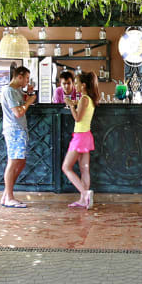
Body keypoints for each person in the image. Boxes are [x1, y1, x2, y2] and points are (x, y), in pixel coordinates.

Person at [0, 65, 37, 208]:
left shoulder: (17, 91)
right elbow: (18, 112)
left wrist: (28, 94)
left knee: (21, 162)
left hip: (20, 129)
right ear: (19, 77)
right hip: (14, 129)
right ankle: (9, 197)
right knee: (13, 162)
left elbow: (21, 105)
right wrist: (29, 101)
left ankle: (6, 194)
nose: (27, 81)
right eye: (26, 78)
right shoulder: (9, 91)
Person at [63, 71, 98, 209]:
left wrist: (71, 105)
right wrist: (74, 103)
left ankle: (85, 193)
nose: (75, 85)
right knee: (84, 169)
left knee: (66, 167)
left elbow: (77, 118)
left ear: (83, 85)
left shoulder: (84, 99)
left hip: (80, 137)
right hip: (86, 135)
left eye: (76, 83)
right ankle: (83, 200)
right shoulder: (88, 99)